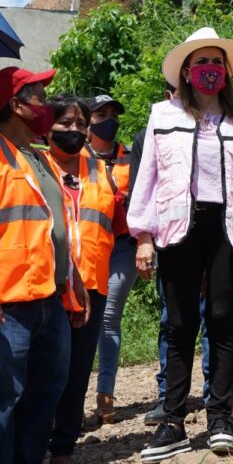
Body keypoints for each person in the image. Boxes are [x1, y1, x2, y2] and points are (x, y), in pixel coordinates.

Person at [128, 26, 233, 463]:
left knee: (222, 318)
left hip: (229, 229)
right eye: (202, 63)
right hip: (179, 227)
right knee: (178, 324)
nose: (210, 70)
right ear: (186, 72)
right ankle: (173, 422)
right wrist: (143, 236)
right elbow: (147, 180)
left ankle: (219, 419)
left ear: (227, 73)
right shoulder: (163, 115)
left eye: (217, 63)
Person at [0, 67, 89, 464]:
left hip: (49, 304)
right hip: (6, 310)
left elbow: (53, 226)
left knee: (45, 395)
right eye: (39, 95)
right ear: (17, 105)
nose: (47, 104)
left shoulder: (39, 158)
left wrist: (73, 281)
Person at [129, 86, 211, 427]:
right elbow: (141, 189)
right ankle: (169, 397)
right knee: (174, 320)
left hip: (214, 239)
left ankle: (212, 393)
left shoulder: (216, 127)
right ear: (168, 93)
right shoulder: (149, 131)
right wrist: (144, 240)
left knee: (215, 318)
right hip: (172, 241)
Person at [44, 95, 115, 464]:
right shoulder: (36, 164)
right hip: (47, 286)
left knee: (77, 370)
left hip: (92, 285)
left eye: (79, 124)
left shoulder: (100, 169)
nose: (73, 130)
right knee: (44, 370)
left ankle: (63, 448)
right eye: (65, 122)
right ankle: (32, 440)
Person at [85, 94, 138, 424]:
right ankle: (71, 397)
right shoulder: (75, 158)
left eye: (113, 114)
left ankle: (105, 394)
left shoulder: (130, 159)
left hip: (122, 247)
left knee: (108, 317)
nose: (109, 120)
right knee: (81, 321)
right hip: (87, 247)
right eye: (100, 114)